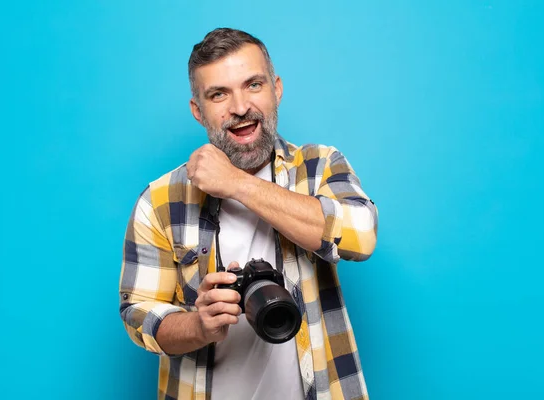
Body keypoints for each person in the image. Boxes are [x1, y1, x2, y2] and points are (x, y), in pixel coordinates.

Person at [119, 28, 378, 400]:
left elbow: (362, 235)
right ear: (197, 110)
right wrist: (197, 324)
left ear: (277, 89)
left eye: (253, 85)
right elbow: (137, 314)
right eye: (219, 94)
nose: (240, 107)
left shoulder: (319, 167)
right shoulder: (161, 200)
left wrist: (238, 184)